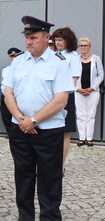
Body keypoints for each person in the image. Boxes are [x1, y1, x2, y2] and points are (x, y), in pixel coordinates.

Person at [4, 16, 74, 220]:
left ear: (47, 37)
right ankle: (25, 217)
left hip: (48, 131)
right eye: (26, 37)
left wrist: (33, 120)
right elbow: (8, 93)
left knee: (49, 179)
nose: (28, 42)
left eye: (33, 37)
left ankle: (50, 217)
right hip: (20, 129)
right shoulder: (18, 62)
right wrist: (20, 118)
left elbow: (61, 100)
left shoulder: (58, 63)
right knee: (23, 177)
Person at [52, 27, 80, 172]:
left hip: (66, 96)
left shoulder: (73, 57)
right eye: (56, 40)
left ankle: (61, 164)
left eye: (60, 40)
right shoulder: (52, 55)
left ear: (67, 41)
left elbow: (73, 79)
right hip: (52, 97)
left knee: (65, 131)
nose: (57, 43)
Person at [75, 37, 104, 147]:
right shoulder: (75, 60)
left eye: (85, 45)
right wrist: (78, 88)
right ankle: (82, 138)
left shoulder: (96, 59)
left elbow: (100, 74)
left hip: (93, 92)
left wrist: (92, 87)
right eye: (81, 45)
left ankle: (90, 138)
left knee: (91, 115)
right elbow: (71, 75)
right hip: (79, 92)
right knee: (81, 115)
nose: (83, 47)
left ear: (89, 47)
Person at [0, 47, 23, 135]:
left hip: (16, 98)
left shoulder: (22, 69)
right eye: (11, 57)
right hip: (5, 97)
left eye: (15, 57)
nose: (13, 59)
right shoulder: (5, 69)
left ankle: (17, 134)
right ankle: (9, 133)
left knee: (17, 116)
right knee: (6, 116)